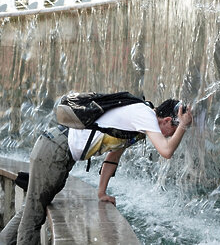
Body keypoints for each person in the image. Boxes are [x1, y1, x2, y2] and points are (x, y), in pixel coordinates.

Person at [0, 98, 192, 245]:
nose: (169, 136)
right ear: (167, 120)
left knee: (32, 207)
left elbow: (112, 157)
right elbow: (166, 151)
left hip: (58, 151)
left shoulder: (138, 124)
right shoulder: (146, 116)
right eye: (172, 131)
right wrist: (183, 126)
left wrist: (101, 192)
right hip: (55, 149)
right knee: (34, 214)